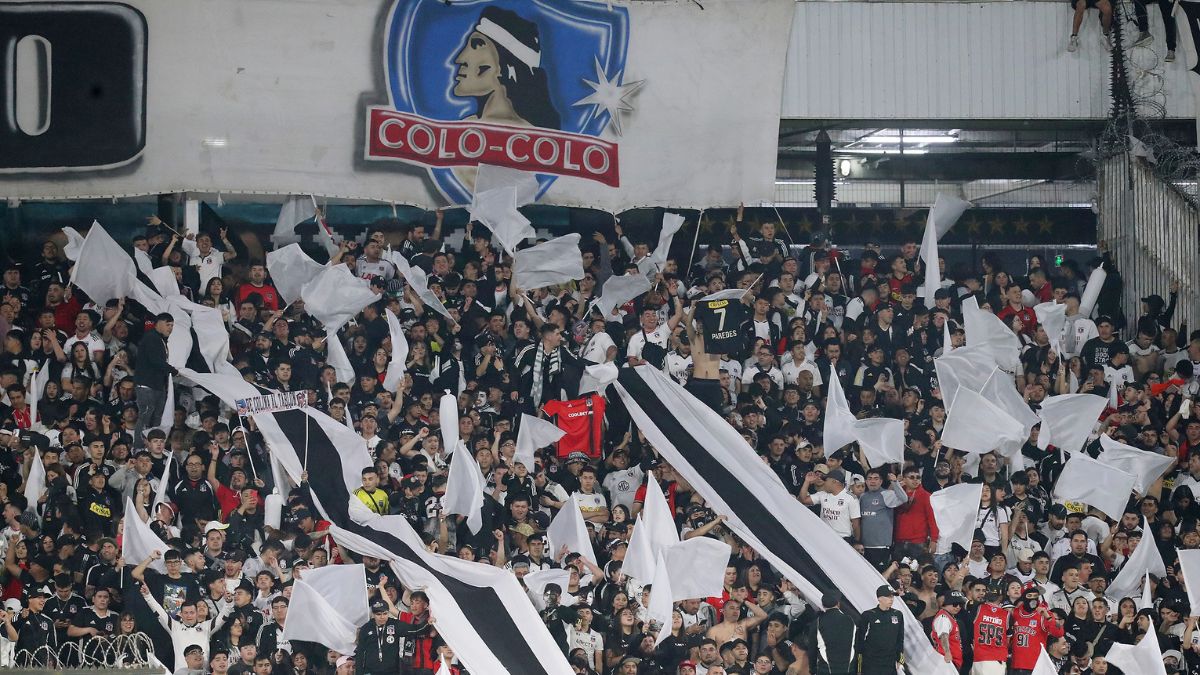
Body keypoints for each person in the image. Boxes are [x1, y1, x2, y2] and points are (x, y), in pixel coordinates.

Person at [141, 580, 234, 668]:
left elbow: (223, 617)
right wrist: (148, 596)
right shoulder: (174, 627)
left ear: (197, 613)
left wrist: (229, 602)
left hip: (202, 672)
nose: (189, 615)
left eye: (192, 612)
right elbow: (159, 612)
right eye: (186, 613)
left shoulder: (206, 626)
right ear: (181, 614)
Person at [133, 312, 175, 447]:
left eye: (172, 325)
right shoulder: (151, 338)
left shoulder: (160, 339)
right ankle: (139, 448)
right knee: (145, 417)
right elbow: (155, 360)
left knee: (157, 418)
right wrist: (174, 371)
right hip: (147, 385)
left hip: (157, 385)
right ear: (158, 323)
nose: (170, 328)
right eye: (168, 324)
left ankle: (152, 447)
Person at [1008, 583, 1064, 674]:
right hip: (1015, 665)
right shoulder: (1015, 612)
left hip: (1036, 666)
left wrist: (1047, 616)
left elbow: (1059, 633)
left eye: (1036, 596)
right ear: (1023, 597)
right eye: (1029, 595)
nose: (1033, 598)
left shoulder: (1044, 614)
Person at [854, 586, 904, 675]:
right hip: (871, 663)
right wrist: (859, 667)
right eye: (888, 597)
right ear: (879, 598)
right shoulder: (868, 615)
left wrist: (900, 658)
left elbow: (900, 638)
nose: (891, 599)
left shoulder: (898, 614)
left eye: (892, 596)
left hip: (889, 663)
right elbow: (859, 641)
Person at [806, 591, 854, 675]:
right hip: (849, 669)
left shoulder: (817, 623)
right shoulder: (850, 620)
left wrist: (812, 670)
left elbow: (812, 649)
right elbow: (856, 645)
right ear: (838, 604)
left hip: (826, 670)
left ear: (823, 605)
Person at [970, 587, 1011, 675]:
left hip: (979, 657)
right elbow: (1008, 640)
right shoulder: (1007, 614)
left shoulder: (978, 608)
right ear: (1001, 597)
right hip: (997, 658)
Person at [930, 591, 966, 670]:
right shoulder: (943, 618)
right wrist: (947, 652)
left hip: (951, 662)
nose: (958, 607)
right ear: (946, 603)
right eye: (955, 604)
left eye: (961, 605)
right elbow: (943, 635)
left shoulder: (949, 616)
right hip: (946, 662)